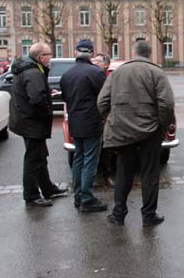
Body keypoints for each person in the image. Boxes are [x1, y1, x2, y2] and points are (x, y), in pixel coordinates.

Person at [98, 41, 176, 227]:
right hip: (151, 130)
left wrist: (114, 117)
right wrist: (162, 126)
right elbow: (166, 104)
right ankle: (149, 215)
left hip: (123, 129)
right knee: (150, 172)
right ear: (150, 54)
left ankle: (118, 214)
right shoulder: (157, 72)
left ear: (134, 52)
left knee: (124, 171)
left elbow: (102, 103)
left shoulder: (117, 73)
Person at [9, 42, 67, 207]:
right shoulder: (33, 72)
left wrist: (47, 94)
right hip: (32, 122)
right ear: (41, 57)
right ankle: (31, 195)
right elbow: (36, 99)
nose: (51, 58)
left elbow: (34, 93)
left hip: (27, 120)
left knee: (40, 156)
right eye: (49, 54)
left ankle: (48, 188)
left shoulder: (31, 69)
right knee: (34, 159)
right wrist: (48, 109)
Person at [60, 39, 108, 212]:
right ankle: (87, 198)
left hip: (74, 122)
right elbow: (104, 97)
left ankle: (78, 195)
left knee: (79, 158)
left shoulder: (67, 74)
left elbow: (65, 98)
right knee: (90, 160)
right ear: (92, 54)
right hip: (91, 122)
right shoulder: (95, 73)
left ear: (75, 52)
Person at [92, 52, 116, 187]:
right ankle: (94, 177)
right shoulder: (90, 76)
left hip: (108, 119)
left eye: (98, 61)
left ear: (106, 65)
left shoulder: (111, 78)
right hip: (93, 118)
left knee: (107, 150)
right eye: (94, 61)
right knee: (93, 150)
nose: (95, 63)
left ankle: (107, 176)